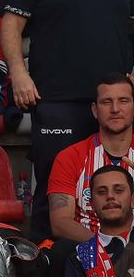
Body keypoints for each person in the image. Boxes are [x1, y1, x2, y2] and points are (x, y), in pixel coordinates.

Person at [4, 0, 134, 236]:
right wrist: (19, 73)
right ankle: (48, 272)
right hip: (56, 100)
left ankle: (115, 267)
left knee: (116, 190)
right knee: (53, 191)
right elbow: (12, 23)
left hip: (112, 105)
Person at [48, 74, 134, 245]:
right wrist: (107, 247)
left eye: (123, 101)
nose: (115, 109)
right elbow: (60, 223)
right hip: (88, 250)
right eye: (106, 102)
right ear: (95, 110)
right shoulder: (70, 157)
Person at [63, 164, 134, 277]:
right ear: (91, 203)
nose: (110, 196)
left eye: (119, 190)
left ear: (132, 199)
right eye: (101, 192)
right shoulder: (82, 255)